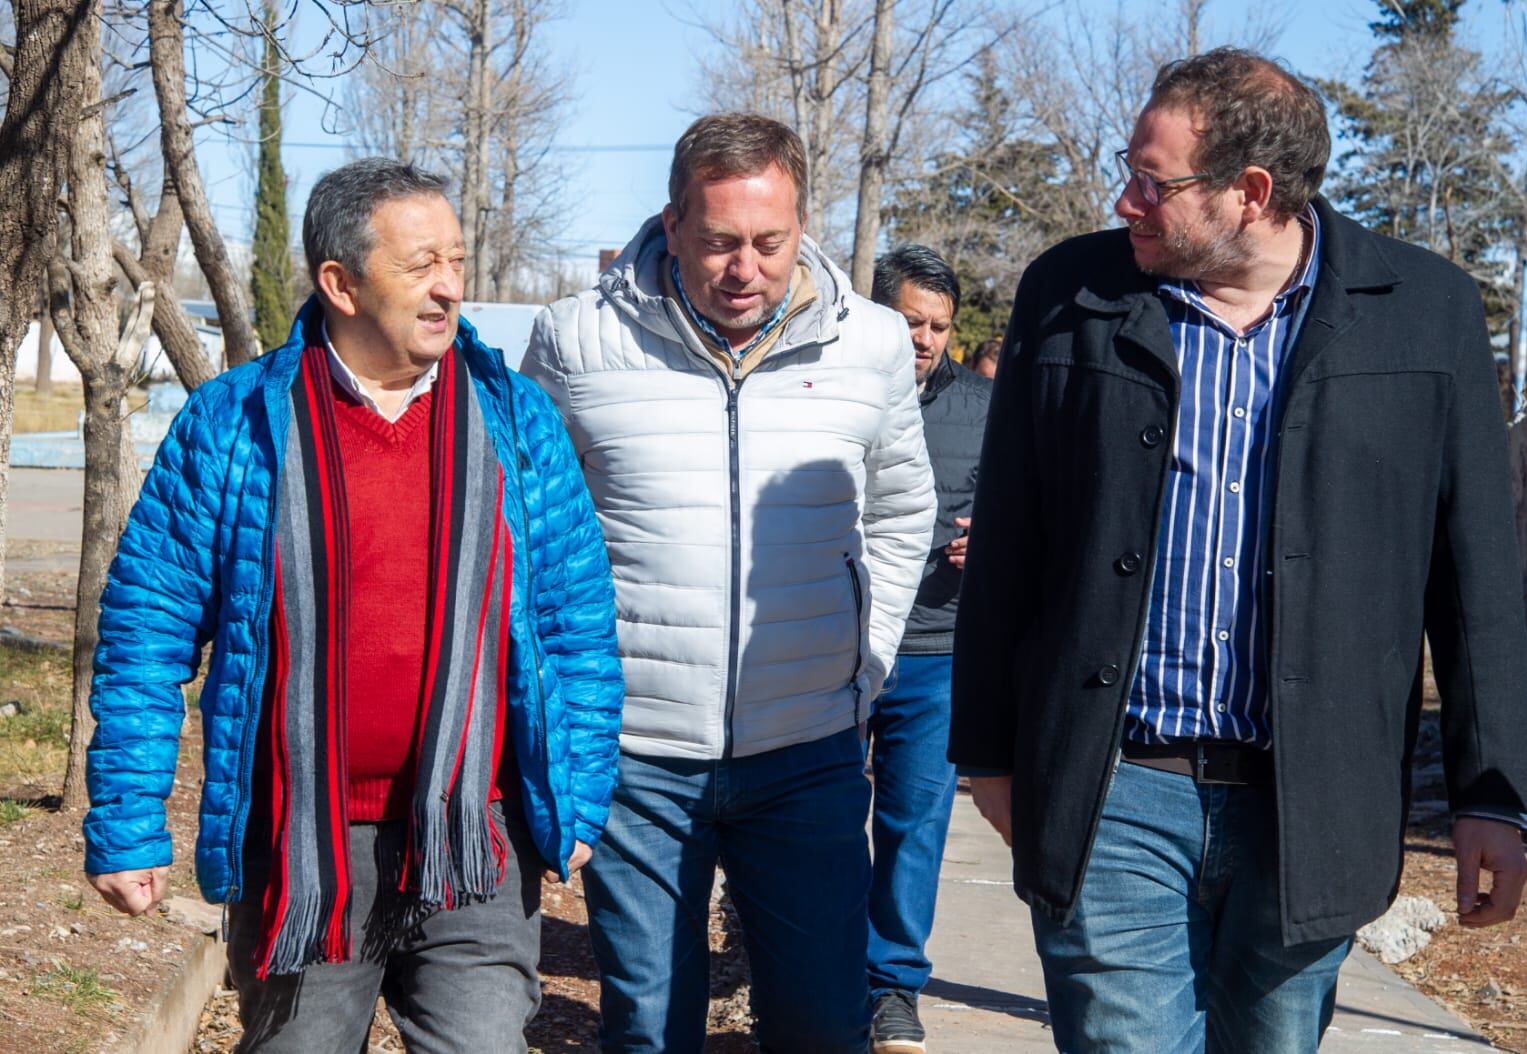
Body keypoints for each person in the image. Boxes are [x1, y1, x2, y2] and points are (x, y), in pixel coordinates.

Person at [950, 48, 1527, 1053]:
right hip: (1115, 783)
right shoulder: (1069, 294)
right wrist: (989, 748)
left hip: (1316, 797)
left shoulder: (1426, 311)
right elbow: (1010, 536)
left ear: (1249, 192)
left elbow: (1473, 567)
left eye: (1155, 180)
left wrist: (1492, 791)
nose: (1127, 199)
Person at [82, 158, 623, 1052]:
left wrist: (579, 799)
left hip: (475, 835)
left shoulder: (517, 423)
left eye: (455, 259)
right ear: (339, 283)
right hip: (302, 846)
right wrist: (129, 819)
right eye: (421, 265)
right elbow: (146, 632)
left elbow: (576, 630)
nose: (449, 285)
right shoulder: (235, 425)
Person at [522, 113, 935, 1053]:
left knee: (824, 1023)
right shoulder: (575, 339)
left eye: (768, 242)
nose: (743, 267)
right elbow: (528, 536)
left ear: (801, 225)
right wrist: (565, 697)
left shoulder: (870, 343)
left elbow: (904, 512)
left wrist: (864, 666)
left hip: (810, 750)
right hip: (638, 758)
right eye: (717, 242)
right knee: (649, 1028)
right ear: (671, 225)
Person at [863, 245, 991, 1054]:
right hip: (834, 648)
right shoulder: (828, 386)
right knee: (825, 823)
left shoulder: (984, 409)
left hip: (937, 653)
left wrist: (997, 539)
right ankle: (816, 972)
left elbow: (1027, 509)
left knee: (915, 827)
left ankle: (890, 989)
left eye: (940, 326)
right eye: (912, 321)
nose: (926, 340)